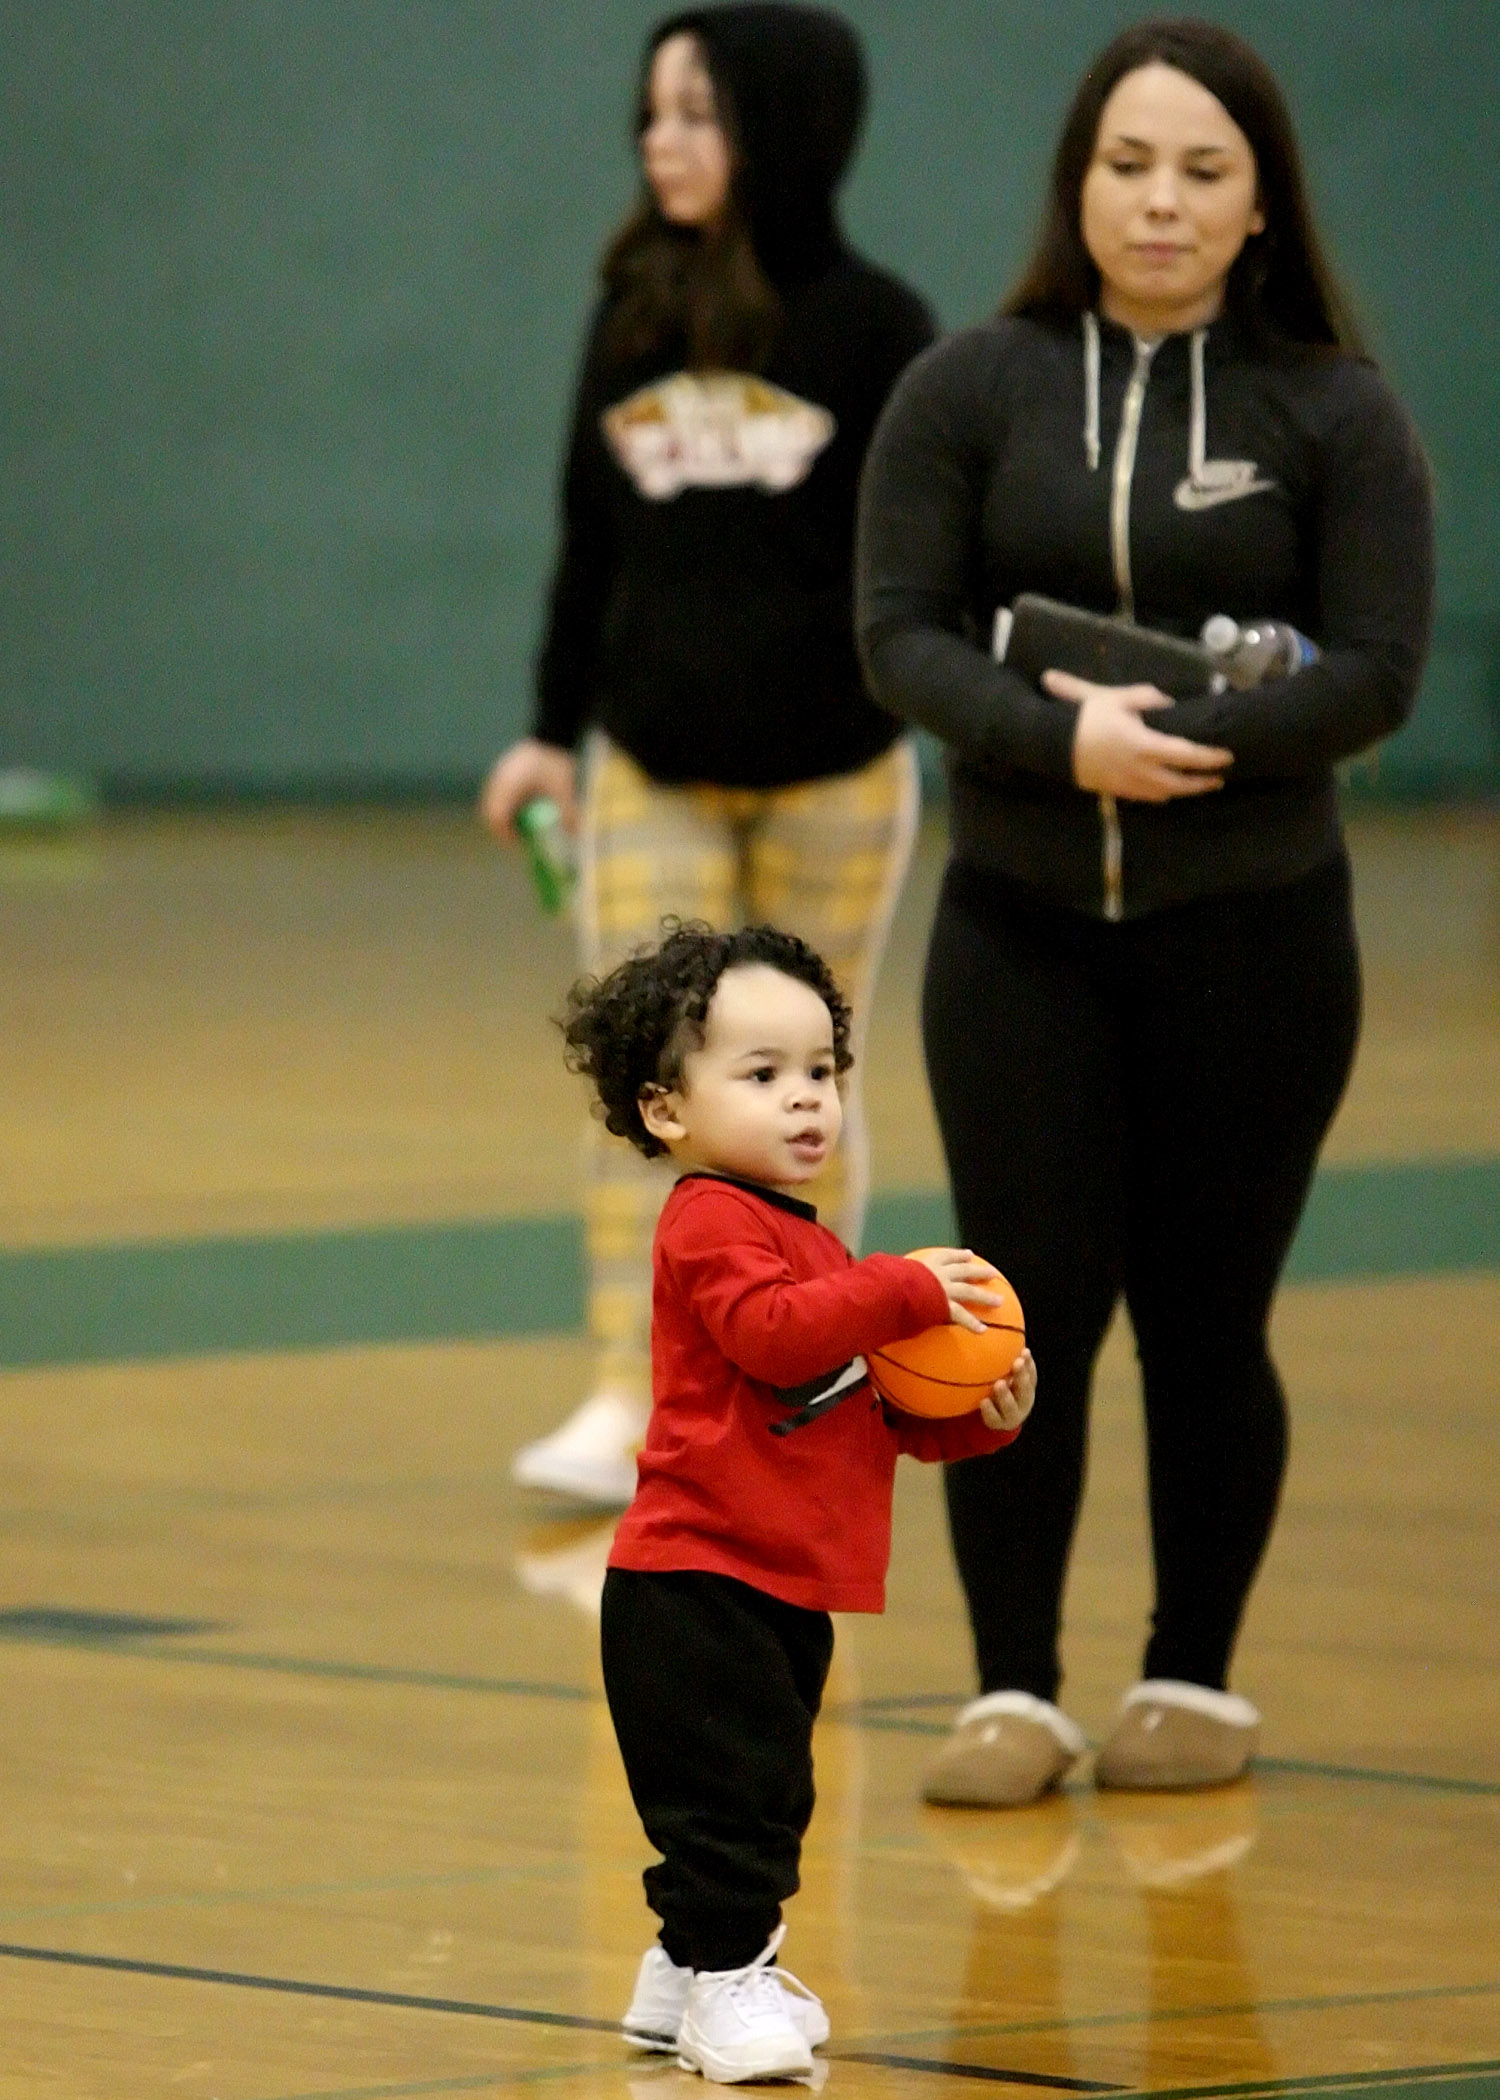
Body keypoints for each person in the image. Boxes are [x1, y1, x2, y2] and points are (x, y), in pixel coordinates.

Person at [855, 17, 1434, 1806]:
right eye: (1129, 166)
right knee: (1007, 1313)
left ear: (1261, 204)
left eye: (1202, 170)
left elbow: (1381, 669)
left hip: (1255, 937)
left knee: (1207, 1316)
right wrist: (1057, 739)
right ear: (1079, 185)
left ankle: (1193, 1676)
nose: (1162, 202)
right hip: (1019, 932)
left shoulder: (1331, 407)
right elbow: (901, 635)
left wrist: (1189, 739)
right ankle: (1011, 1691)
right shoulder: (972, 387)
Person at [483, 3, 936, 1506]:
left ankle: (802, 1380)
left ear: (783, 127)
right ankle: (638, 1394)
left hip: (835, 772)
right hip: (652, 765)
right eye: (652, 113)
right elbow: (584, 536)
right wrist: (549, 734)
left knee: (801, 1088)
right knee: (657, 1078)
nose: (661, 141)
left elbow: (915, 558)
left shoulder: (877, 326)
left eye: (697, 112)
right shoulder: (634, 308)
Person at [561, 920, 1035, 2080]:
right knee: (733, 1807)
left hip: (778, 1578)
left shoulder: (811, 1248)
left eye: (821, 1071)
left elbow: (852, 1405)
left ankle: (681, 1976)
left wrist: (974, 1418)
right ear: (666, 1110)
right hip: (693, 1579)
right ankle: (729, 1991)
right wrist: (903, 1285)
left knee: (762, 1790)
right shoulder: (713, 1222)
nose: (807, 1101)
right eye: (762, 1076)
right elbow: (779, 1345)